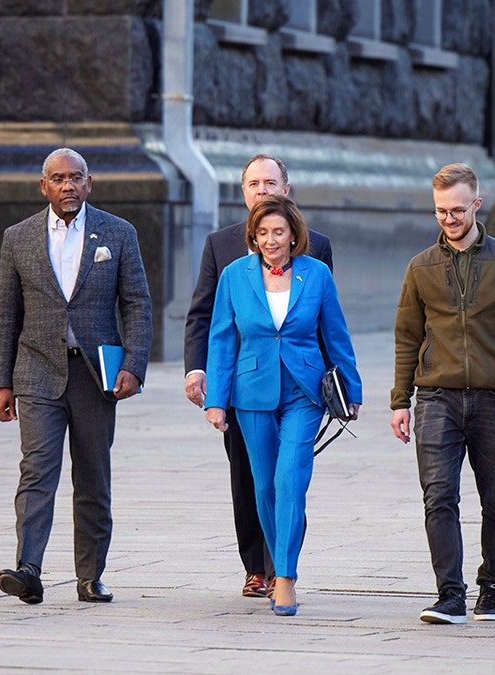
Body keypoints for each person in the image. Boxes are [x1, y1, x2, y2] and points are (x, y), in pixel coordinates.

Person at [0, 147, 152, 605]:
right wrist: (2, 381)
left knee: (94, 477)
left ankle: (90, 576)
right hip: (37, 371)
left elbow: (137, 303)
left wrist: (133, 365)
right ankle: (28, 568)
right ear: (44, 186)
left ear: (89, 183)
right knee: (37, 470)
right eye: (58, 179)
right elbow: (6, 314)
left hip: (96, 375)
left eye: (76, 178)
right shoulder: (18, 237)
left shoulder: (118, 233)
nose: (68, 186)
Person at [390, 163, 495, 624]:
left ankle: (491, 589)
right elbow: (407, 336)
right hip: (436, 395)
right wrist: (400, 400)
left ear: (477, 205)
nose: (449, 219)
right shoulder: (421, 268)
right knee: (439, 495)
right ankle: (449, 594)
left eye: (457, 210)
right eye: (440, 211)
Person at [183, 154, 334, 599]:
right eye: (254, 183)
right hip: (244, 384)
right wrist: (201, 373)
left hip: (299, 386)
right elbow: (206, 318)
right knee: (249, 475)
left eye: (270, 183)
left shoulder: (317, 249)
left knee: (289, 476)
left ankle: (280, 569)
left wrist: (331, 385)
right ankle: (256, 565)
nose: (262, 190)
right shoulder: (220, 246)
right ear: (243, 191)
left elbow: (325, 321)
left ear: (286, 189)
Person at [204, 195, 362, 617]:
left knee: (291, 479)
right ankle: (274, 571)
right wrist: (216, 401)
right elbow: (221, 340)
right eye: (263, 233)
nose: (272, 240)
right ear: (253, 237)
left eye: (279, 232)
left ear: (294, 235)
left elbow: (336, 335)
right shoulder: (235, 276)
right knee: (264, 486)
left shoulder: (318, 274)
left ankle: (286, 576)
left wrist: (353, 391)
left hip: (303, 391)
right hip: (251, 391)